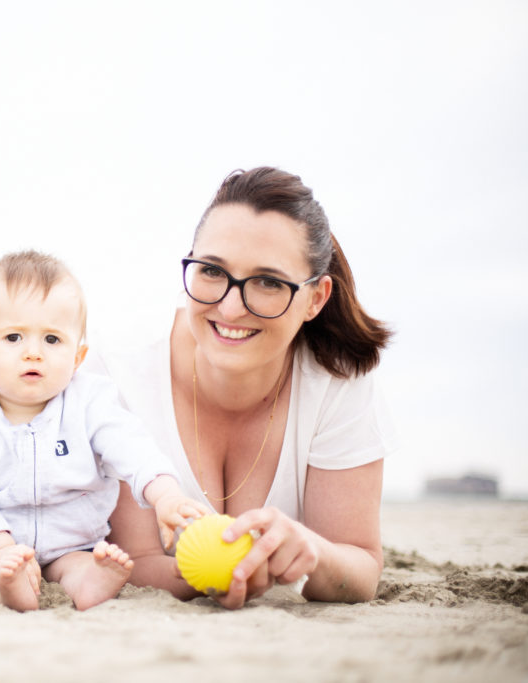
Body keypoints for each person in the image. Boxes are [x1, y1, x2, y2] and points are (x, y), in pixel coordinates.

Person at [94, 167, 397, 609]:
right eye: (212, 271)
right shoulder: (119, 369)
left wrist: (314, 553)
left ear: (316, 298)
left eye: (269, 282)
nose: (231, 308)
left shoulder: (337, 382)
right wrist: (216, 576)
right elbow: (133, 561)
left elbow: (361, 567)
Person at [0, 250, 207, 611]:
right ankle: (4, 588)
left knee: (80, 564)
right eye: (13, 338)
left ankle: (90, 584)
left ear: (77, 357)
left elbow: (133, 448)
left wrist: (165, 495)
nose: (33, 352)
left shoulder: (91, 402)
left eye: (52, 339)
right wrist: (0, 548)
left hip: (71, 544)